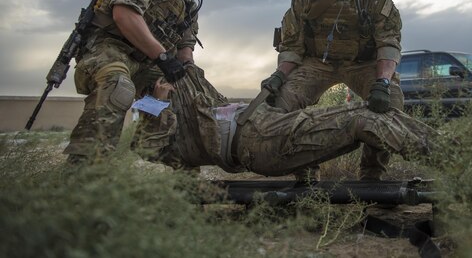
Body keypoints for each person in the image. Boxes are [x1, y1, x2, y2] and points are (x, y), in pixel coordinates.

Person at [63, 0, 228, 164]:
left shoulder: (188, 1)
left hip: (147, 63)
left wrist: (186, 76)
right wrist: (163, 58)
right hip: (110, 49)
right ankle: (83, 173)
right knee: (118, 86)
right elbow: (125, 15)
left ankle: (177, 173)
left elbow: (185, 45)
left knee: (186, 99)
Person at [263, 0, 403, 181]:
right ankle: (304, 173)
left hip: (362, 63)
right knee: (282, 104)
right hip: (319, 64)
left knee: (390, 104)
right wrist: (279, 76)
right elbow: (292, 46)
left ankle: (373, 176)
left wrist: (383, 83)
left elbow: (388, 43)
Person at [132, 65, 434, 177]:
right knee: (363, 119)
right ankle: (454, 157)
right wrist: (157, 101)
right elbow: (149, 149)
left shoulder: (186, 98)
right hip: (257, 141)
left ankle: (455, 153)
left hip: (263, 126)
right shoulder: (154, 112)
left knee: (369, 114)